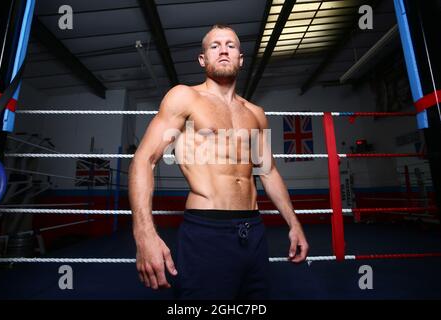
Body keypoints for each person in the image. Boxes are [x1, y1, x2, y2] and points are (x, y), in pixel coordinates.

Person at [129, 24, 309, 300]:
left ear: (240, 58)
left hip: (254, 229)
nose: (223, 49)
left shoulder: (256, 113)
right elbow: (144, 160)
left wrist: (294, 224)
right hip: (206, 229)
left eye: (231, 45)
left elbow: (269, 171)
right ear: (203, 59)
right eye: (215, 46)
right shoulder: (184, 97)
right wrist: (143, 234)